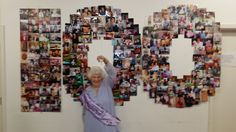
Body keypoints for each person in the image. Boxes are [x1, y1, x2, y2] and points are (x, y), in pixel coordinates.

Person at [80, 55, 120, 132]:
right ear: (90, 78)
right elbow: (84, 112)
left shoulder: (107, 85)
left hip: (107, 125)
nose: (96, 79)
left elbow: (113, 73)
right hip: (91, 124)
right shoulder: (86, 92)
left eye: (98, 77)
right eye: (94, 77)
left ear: (102, 77)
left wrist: (105, 60)